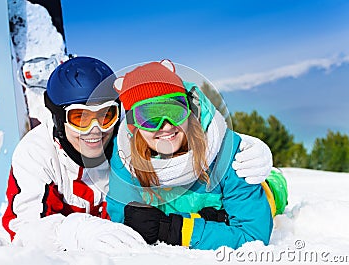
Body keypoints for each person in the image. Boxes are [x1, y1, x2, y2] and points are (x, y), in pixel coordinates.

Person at [2, 56, 274, 253]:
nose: (95, 131)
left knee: (270, 188)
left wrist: (239, 144)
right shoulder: (37, 156)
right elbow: (20, 225)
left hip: (244, 197)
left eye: (106, 115)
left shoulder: (124, 141)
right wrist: (71, 230)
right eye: (80, 118)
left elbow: (168, 102)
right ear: (59, 118)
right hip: (81, 241)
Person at [107, 59, 277, 250]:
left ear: (189, 110)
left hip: (265, 192)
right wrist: (203, 222)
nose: (166, 126)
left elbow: (253, 236)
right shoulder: (125, 157)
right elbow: (125, 222)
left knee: (273, 192)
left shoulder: (224, 152)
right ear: (133, 126)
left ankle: (275, 179)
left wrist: (178, 230)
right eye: (149, 117)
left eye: (174, 110)